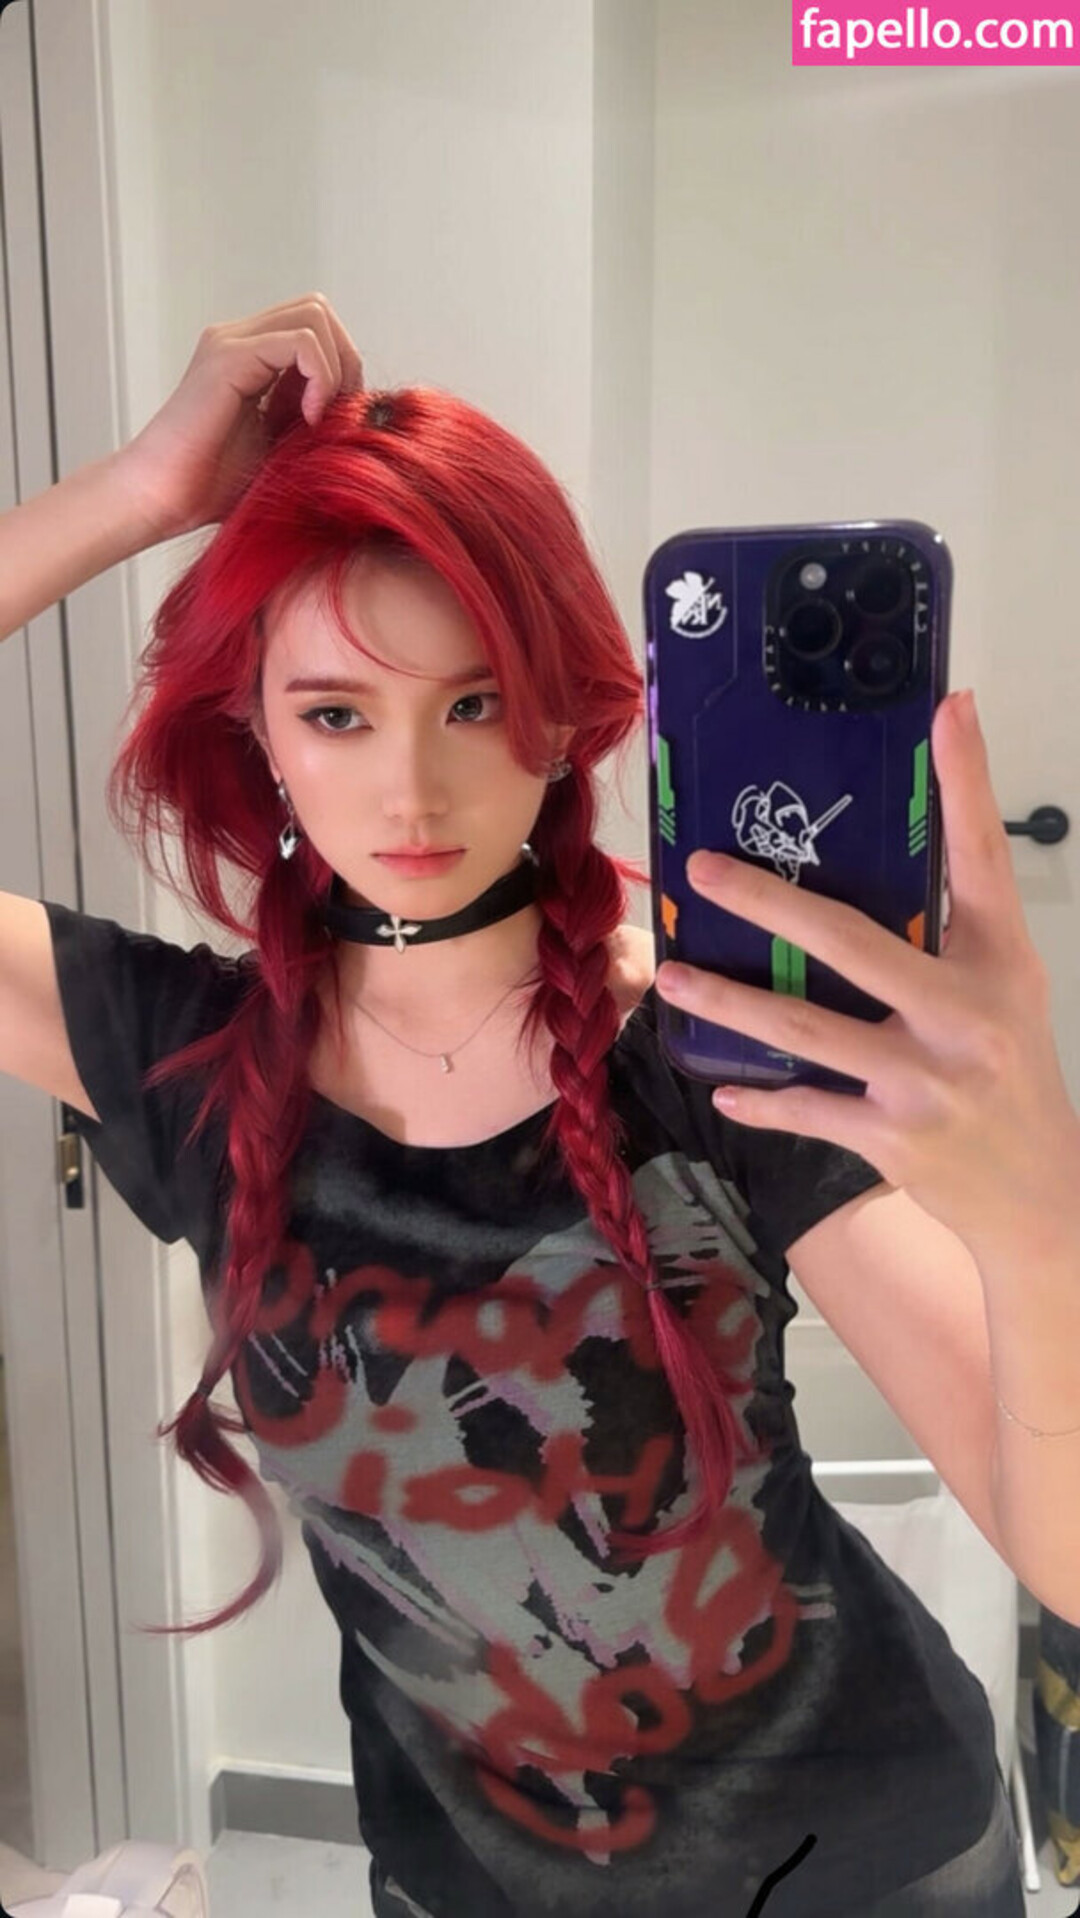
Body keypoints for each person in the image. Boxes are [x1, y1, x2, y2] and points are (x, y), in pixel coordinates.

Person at [0, 295, 1025, 1916]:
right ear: (256, 729)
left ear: (560, 715)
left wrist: (1041, 1193)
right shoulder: (183, 1060)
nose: (411, 787)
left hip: (875, 1866)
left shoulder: (703, 1044)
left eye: (474, 702)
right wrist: (138, 490)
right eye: (337, 712)